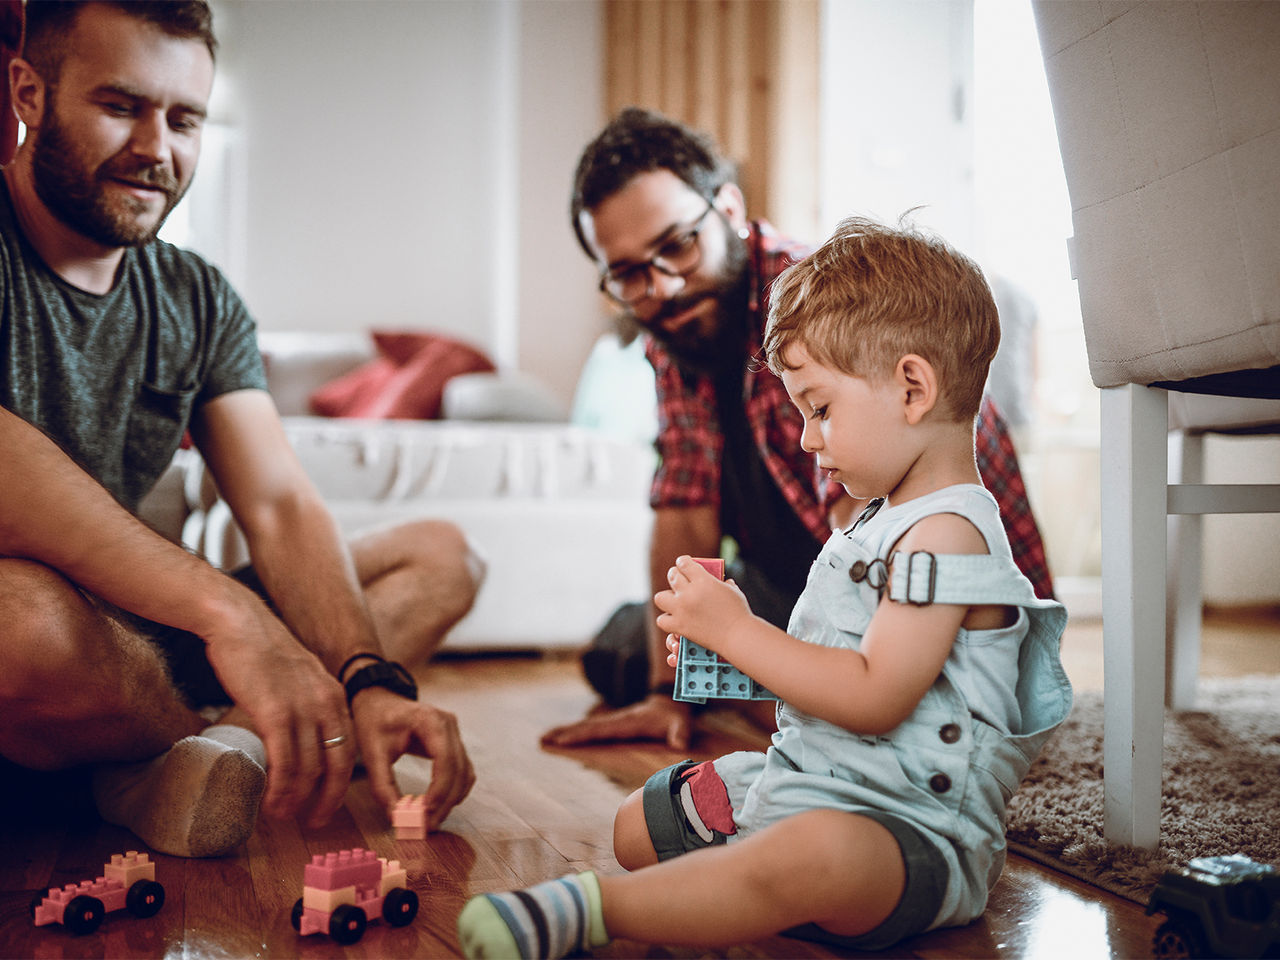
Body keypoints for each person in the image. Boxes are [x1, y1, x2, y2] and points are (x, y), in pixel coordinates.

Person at [458, 215, 1072, 958]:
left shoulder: (948, 532)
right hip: (817, 778)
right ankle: (741, 884)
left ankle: (598, 912)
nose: (809, 437)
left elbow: (876, 695)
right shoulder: (879, 517)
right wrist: (723, 637)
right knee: (639, 823)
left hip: (909, 835)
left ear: (912, 388)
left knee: (812, 854)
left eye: (818, 408)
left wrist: (738, 633)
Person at [0, 1, 481, 858]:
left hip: (134, 639)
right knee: (23, 624)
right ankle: (207, 744)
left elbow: (281, 503)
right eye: (121, 106)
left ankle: (181, 758)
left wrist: (368, 677)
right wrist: (235, 619)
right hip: (51, 647)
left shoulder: (197, 295)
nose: (158, 149)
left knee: (441, 558)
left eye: (185, 118)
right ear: (27, 91)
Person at [543, 107, 1054, 751]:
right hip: (804, 568)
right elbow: (685, 506)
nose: (664, 286)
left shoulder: (815, 314)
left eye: (676, 245)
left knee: (752, 662)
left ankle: (774, 693)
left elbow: (866, 525)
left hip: (896, 576)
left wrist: (771, 671)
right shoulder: (675, 332)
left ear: (727, 209)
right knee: (628, 650)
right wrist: (667, 689)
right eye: (629, 274)